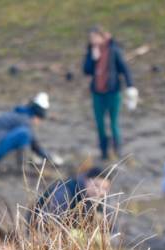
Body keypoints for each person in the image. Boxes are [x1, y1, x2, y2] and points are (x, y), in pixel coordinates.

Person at [82, 26, 137, 161]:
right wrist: (93, 59)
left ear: (102, 37)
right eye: (91, 38)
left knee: (113, 123)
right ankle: (104, 152)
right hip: (97, 94)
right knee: (100, 124)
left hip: (113, 92)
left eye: (95, 37)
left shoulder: (114, 50)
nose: (93, 40)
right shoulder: (91, 51)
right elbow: (86, 70)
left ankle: (117, 151)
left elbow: (125, 68)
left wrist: (131, 86)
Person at [0, 92, 58, 174]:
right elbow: (35, 145)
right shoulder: (25, 120)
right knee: (24, 134)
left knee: (20, 135)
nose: (38, 123)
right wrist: (50, 158)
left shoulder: (20, 115)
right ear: (37, 116)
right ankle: (22, 168)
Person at [33, 166, 112, 219]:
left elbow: (111, 226)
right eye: (96, 185)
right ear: (85, 180)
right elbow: (48, 223)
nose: (99, 191)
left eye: (104, 189)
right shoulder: (65, 193)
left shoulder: (99, 198)